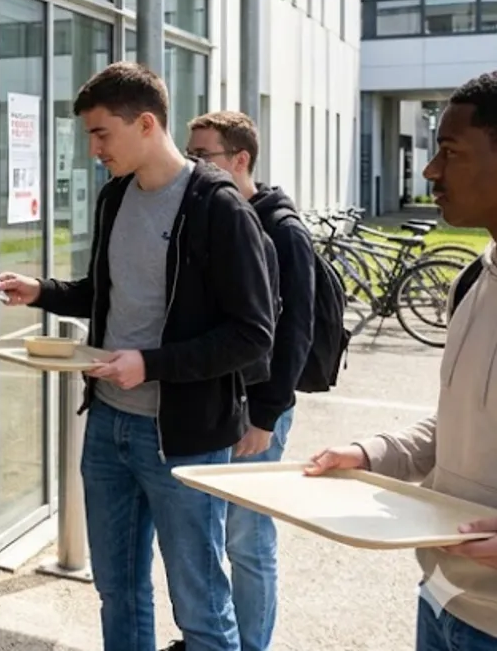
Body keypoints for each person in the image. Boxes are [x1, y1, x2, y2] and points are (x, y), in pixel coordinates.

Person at [0, 62, 277, 651]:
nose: (93, 148)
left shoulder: (218, 207)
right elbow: (108, 293)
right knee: (117, 591)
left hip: (184, 439)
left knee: (200, 603)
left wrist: (149, 364)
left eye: (101, 134)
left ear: (146, 123)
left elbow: (252, 334)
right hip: (108, 426)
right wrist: (43, 291)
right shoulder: (115, 196)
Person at [306, 71, 497, 651]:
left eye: (450, 151)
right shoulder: (473, 279)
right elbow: (458, 424)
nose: (431, 171)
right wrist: (371, 455)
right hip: (441, 598)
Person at [185, 111, 317, 651]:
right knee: (218, 532)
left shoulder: (282, 230)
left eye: (202, 156)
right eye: (189, 154)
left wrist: (266, 415)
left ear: (239, 160)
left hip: (259, 410)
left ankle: (252, 645)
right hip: (223, 404)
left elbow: (296, 331)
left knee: (248, 537)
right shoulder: (217, 214)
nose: (192, 166)